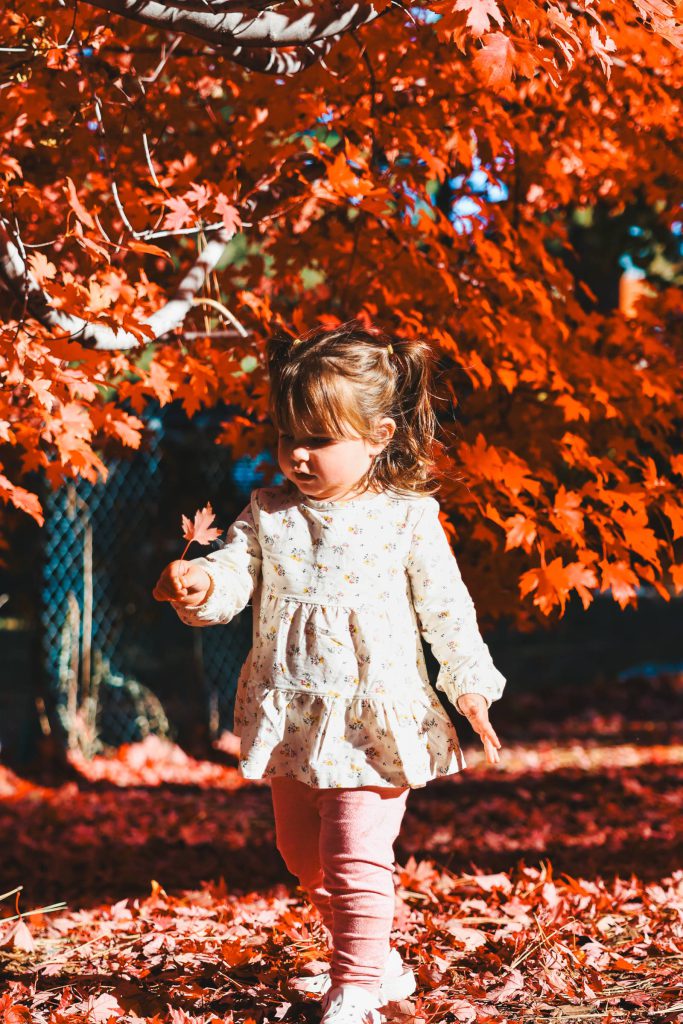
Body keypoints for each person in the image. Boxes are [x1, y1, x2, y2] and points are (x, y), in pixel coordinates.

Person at [153, 321, 506, 1024]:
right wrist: (197, 586)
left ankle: (354, 987)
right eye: (288, 437)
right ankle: (378, 960)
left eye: (319, 439)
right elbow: (234, 572)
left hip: (374, 715)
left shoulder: (406, 518)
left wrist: (468, 684)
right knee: (300, 853)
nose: (298, 454)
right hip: (295, 715)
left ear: (377, 436)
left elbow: (447, 609)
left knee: (353, 853)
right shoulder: (270, 512)